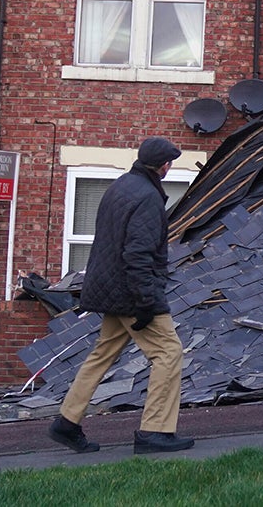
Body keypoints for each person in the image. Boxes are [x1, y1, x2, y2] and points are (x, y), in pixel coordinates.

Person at [47, 136, 194, 455]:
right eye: (170, 163)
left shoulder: (120, 187)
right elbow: (138, 254)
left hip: (108, 287)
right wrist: (147, 302)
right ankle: (154, 431)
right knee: (168, 353)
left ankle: (67, 421)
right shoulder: (149, 198)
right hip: (132, 291)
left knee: (103, 353)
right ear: (164, 166)